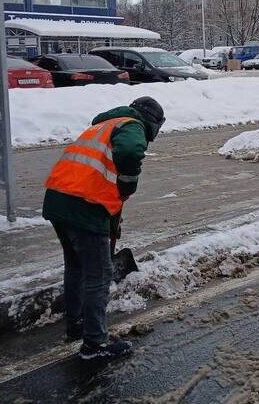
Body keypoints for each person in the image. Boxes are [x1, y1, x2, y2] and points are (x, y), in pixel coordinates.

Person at [42, 96, 166, 360]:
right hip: (85, 205)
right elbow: (131, 152)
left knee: (76, 266)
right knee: (98, 275)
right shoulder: (132, 125)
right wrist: (127, 184)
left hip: (58, 200)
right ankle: (95, 344)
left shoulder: (103, 125)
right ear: (153, 122)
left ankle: (76, 324)